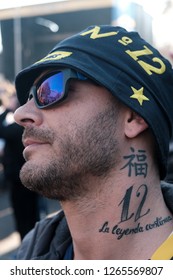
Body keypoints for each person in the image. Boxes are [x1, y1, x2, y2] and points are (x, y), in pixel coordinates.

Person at [13, 25, 173, 260]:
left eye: (51, 88)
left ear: (133, 116)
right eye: (28, 96)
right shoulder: (30, 255)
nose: (20, 114)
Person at [0, 78, 39, 240]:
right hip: (19, 176)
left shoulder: (18, 126)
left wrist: (7, 111)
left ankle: (29, 246)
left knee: (26, 216)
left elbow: (3, 131)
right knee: (27, 214)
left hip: (21, 176)